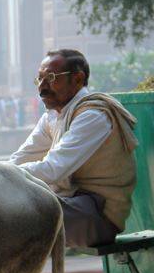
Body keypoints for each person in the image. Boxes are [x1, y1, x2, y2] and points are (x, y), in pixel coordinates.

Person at [10, 49, 139, 247]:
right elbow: (21, 158)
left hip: (97, 217)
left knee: (9, 212)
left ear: (78, 79)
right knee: (2, 205)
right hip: (71, 205)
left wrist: (0, 177)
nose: (42, 87)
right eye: (39, 79)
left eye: (51, 78)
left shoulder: (94, 115)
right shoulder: (52, 117)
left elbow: (53, 169)